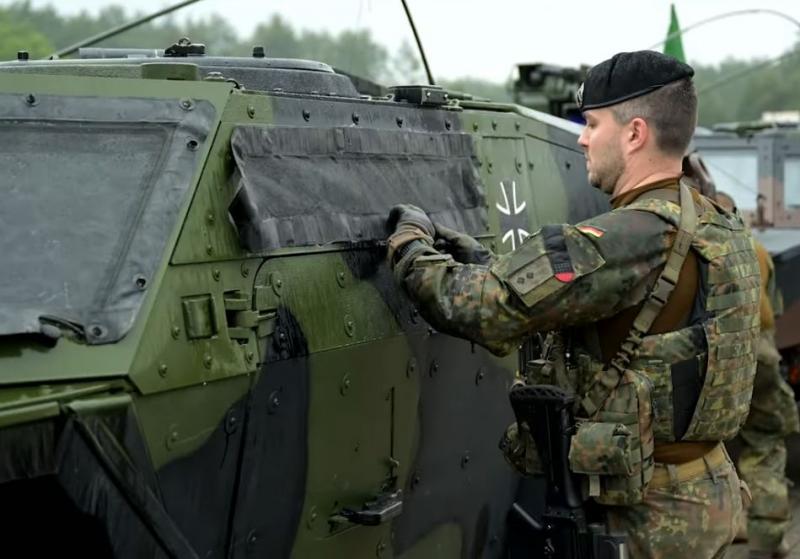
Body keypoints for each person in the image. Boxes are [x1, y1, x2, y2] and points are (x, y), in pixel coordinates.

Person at [386, 50, 760, 558]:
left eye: (591, 124)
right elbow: (604, 310)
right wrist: (484, 259)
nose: (582, 138)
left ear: (634, 133)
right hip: (707, 492)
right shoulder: (718, 223)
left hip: (649, 517)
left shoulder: (626, 236)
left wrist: (408, 245)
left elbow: (479, 308)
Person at [714, 191, 800, 559]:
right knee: (764, 442)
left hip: (710, 360)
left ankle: (726, 525)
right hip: (758, 354)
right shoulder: (755, 248)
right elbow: (774, 309)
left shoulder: (690, 244)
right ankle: (766, 538)